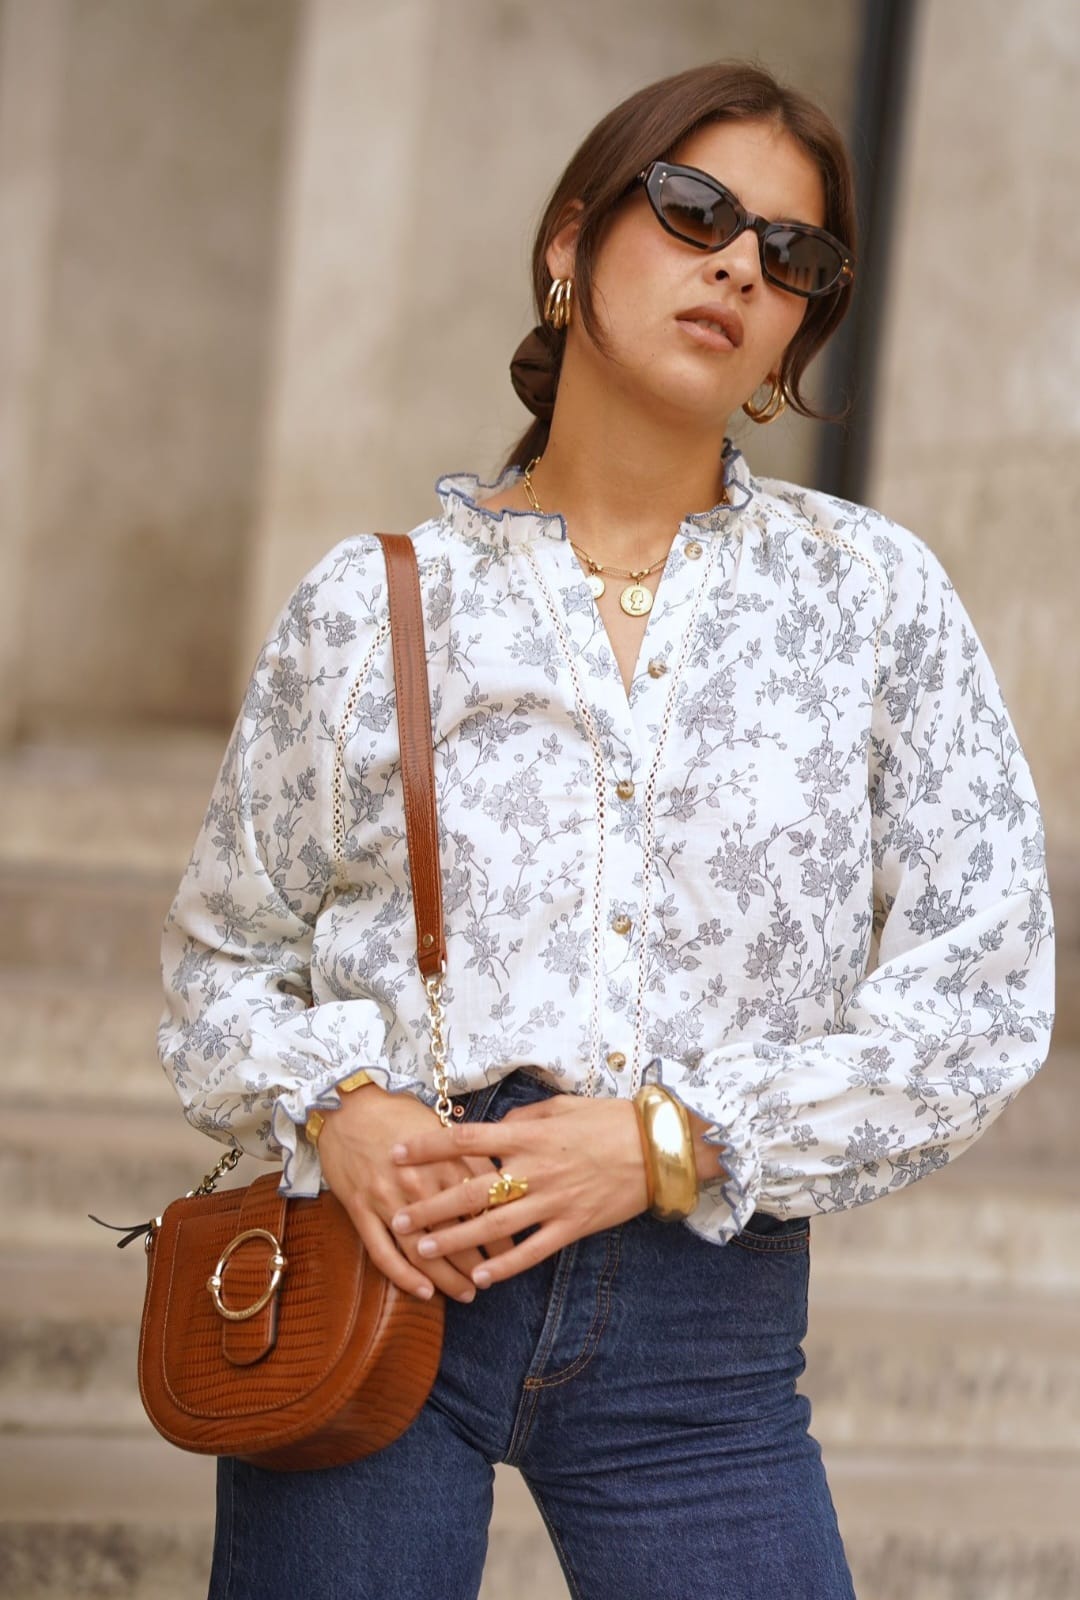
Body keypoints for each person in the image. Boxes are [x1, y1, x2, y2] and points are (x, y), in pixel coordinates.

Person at [158, 58, 1055, 1600]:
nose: (740, 264)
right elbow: (223, 958)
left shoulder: (870, 599)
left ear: (799, 325)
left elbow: (983, 994)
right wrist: (339, 1109)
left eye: (793, 253)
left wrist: (668, 1143)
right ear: (571, 244)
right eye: (697, 209)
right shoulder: (374, 606)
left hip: (701, 1339)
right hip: (384, 1278)